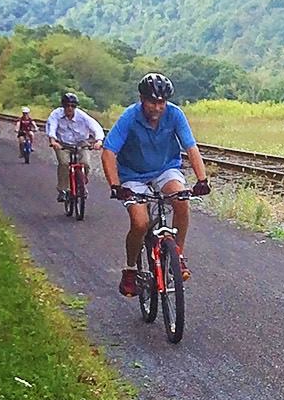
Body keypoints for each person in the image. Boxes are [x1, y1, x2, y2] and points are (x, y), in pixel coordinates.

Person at [101, 72, 211, 297]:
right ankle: (131, 269)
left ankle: (177, 256)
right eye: (152, 102)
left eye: (162, 102)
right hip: (133, 174)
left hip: (165, 169)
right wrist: (116, 186)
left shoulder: (175, 114)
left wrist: (202, 180)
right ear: (142, 99)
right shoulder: (130, 117)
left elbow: (191, 148)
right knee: (140, 223)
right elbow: (108, 152)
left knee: (181, 200)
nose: (158, 108)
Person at [45, 91, 105, 204]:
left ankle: (81, 184)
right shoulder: (56, 115)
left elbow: (95, 126)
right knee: (64, 163)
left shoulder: (82, 116)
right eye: (67, 106)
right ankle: (63, 189)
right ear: (63, 106)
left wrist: (99, 140)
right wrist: (53, 140)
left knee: (85, 163)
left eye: (72, 106)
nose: (70, 108)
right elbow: (51, 127)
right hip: (63, 144)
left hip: (81, 143)